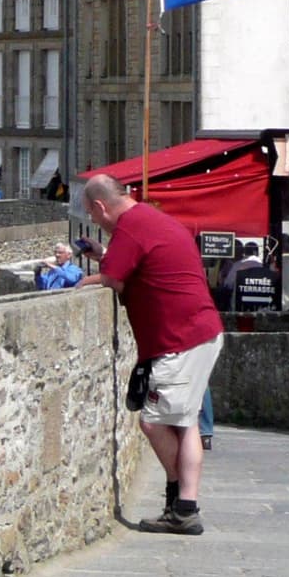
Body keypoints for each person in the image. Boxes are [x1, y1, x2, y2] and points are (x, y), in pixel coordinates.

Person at [78, 174, 225, 535]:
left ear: (100, 206)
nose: (96, 223)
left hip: (180, 338)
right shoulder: (149, 219)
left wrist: (82, 281)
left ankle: (182, 505)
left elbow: (114, 280)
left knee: (154, 421)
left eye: (93, 217)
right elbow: (136, 266)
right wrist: (106, 257)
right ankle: (182, 505)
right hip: (198, 331)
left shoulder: (130, 228)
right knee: (184, 421)